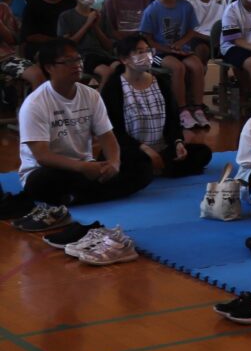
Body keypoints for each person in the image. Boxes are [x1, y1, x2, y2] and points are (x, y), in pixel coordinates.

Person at [11, 39, 150, 217]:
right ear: (49, 67)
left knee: (140, 162)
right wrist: (81, 167)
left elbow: (107, 136)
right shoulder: (35, 103)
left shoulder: (91, 95)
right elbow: (42, 156)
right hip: (54, 171)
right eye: (68, 61)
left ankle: (75, 197)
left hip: (88, 168)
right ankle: (97, 193)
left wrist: (114, 163)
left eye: (78, 60)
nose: (76, 66)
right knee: (42, 182)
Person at [102, 34, 215, 179]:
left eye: (148, 50)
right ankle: (156, 168)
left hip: (162, 148)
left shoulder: (160, 82)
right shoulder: (114, 87)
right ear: (124, 59)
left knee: (203, 153)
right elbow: (113, 131)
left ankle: (155, 168)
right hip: (132, 149)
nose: (146, 55)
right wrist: (144, 149)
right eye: (139, 52)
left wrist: (178, 142)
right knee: (131, 164)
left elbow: (172, 119)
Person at [56, 0, 116, 86]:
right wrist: (88, 23)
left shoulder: (100, 15)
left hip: (103, 55)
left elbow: (109, 46)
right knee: (107, 72)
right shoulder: (66, 16)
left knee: (120, 68)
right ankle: (99, 100)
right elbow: (68, 45)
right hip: (83, 57)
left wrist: (95, 27)